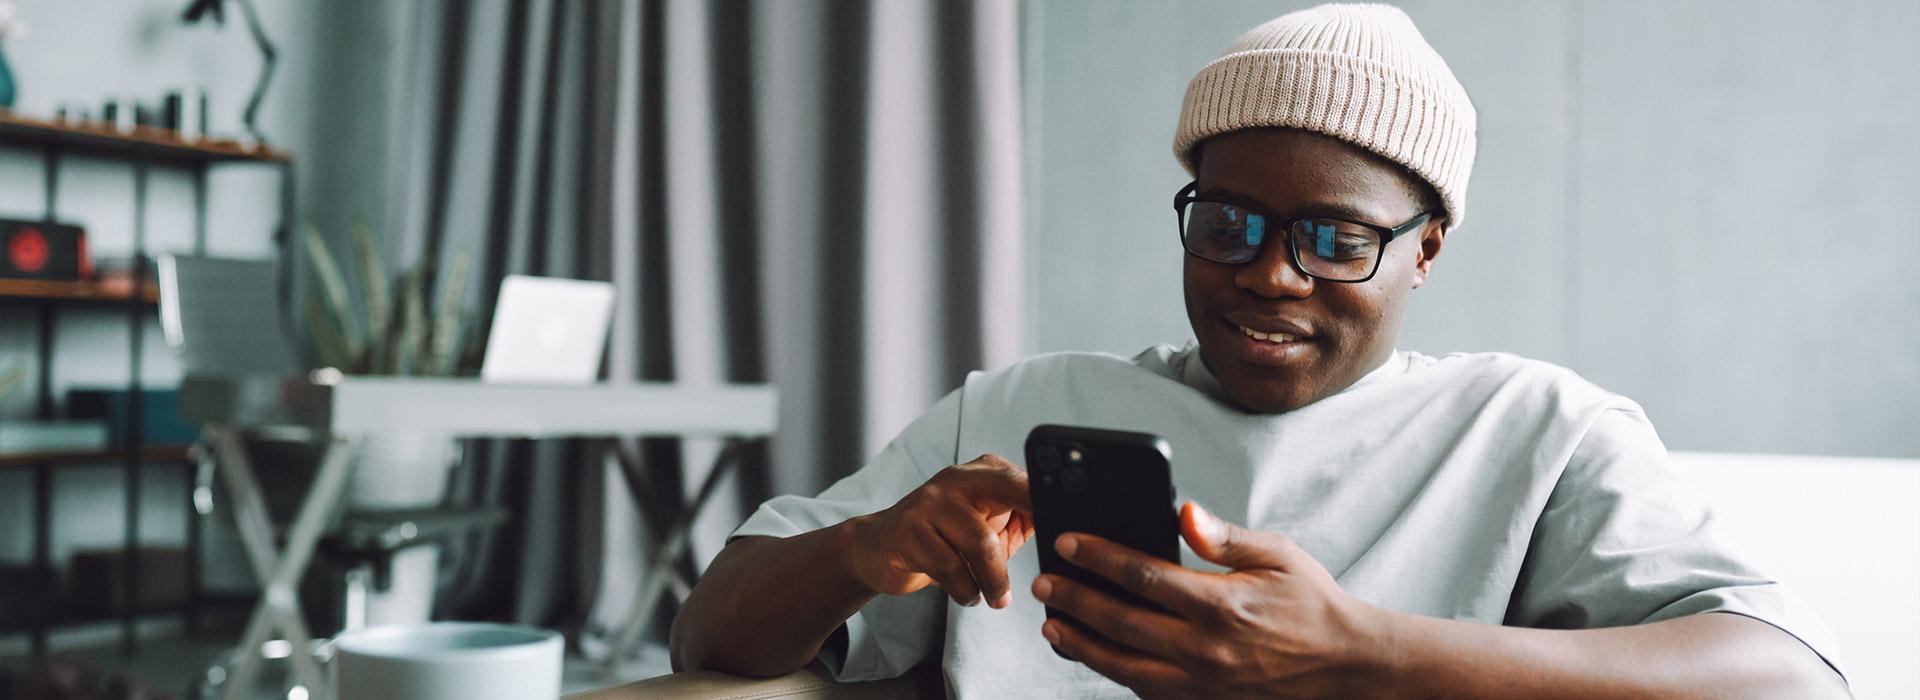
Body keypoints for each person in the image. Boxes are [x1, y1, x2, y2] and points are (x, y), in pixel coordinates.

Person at [669, 4, 1849, 698]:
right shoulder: (1023, 406)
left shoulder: (1538, 431)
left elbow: (1791, 676)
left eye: (1336, 240)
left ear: (1427, 250)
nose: (1271, 275)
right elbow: (708, 637)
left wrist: (1360, 654)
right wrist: (864, 547)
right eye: (1228, 222)